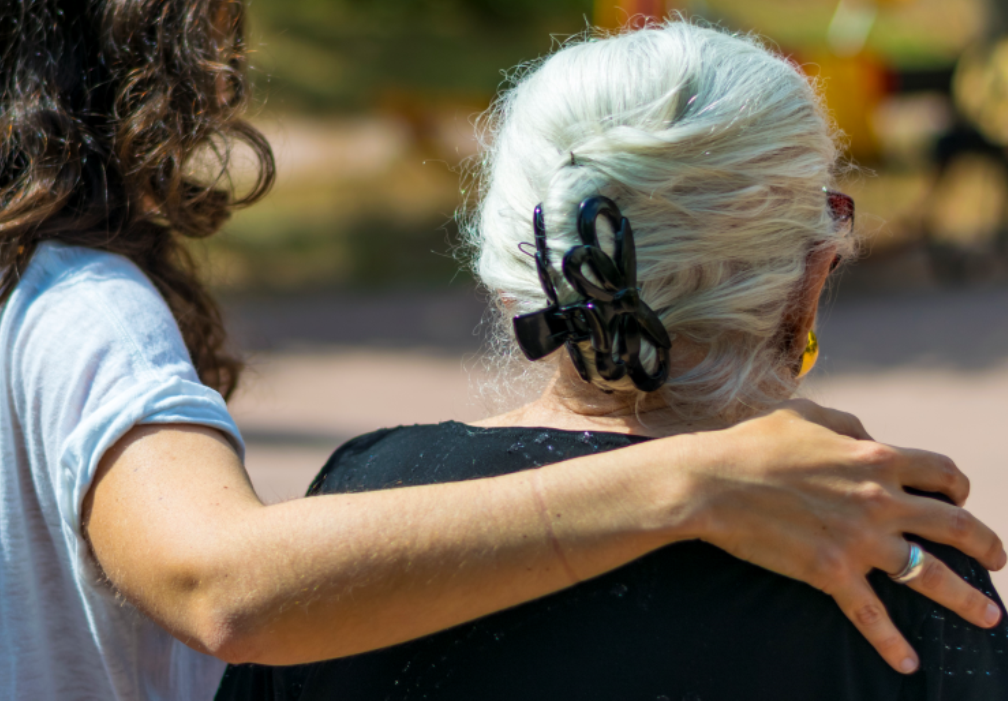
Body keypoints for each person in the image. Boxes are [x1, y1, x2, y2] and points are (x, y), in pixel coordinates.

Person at [0, 3, 1003, 700]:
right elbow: (220, 586)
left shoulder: (371, 499)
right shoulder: (894, 543)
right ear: (811, 273)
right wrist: (692, 478)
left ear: (513, 265)